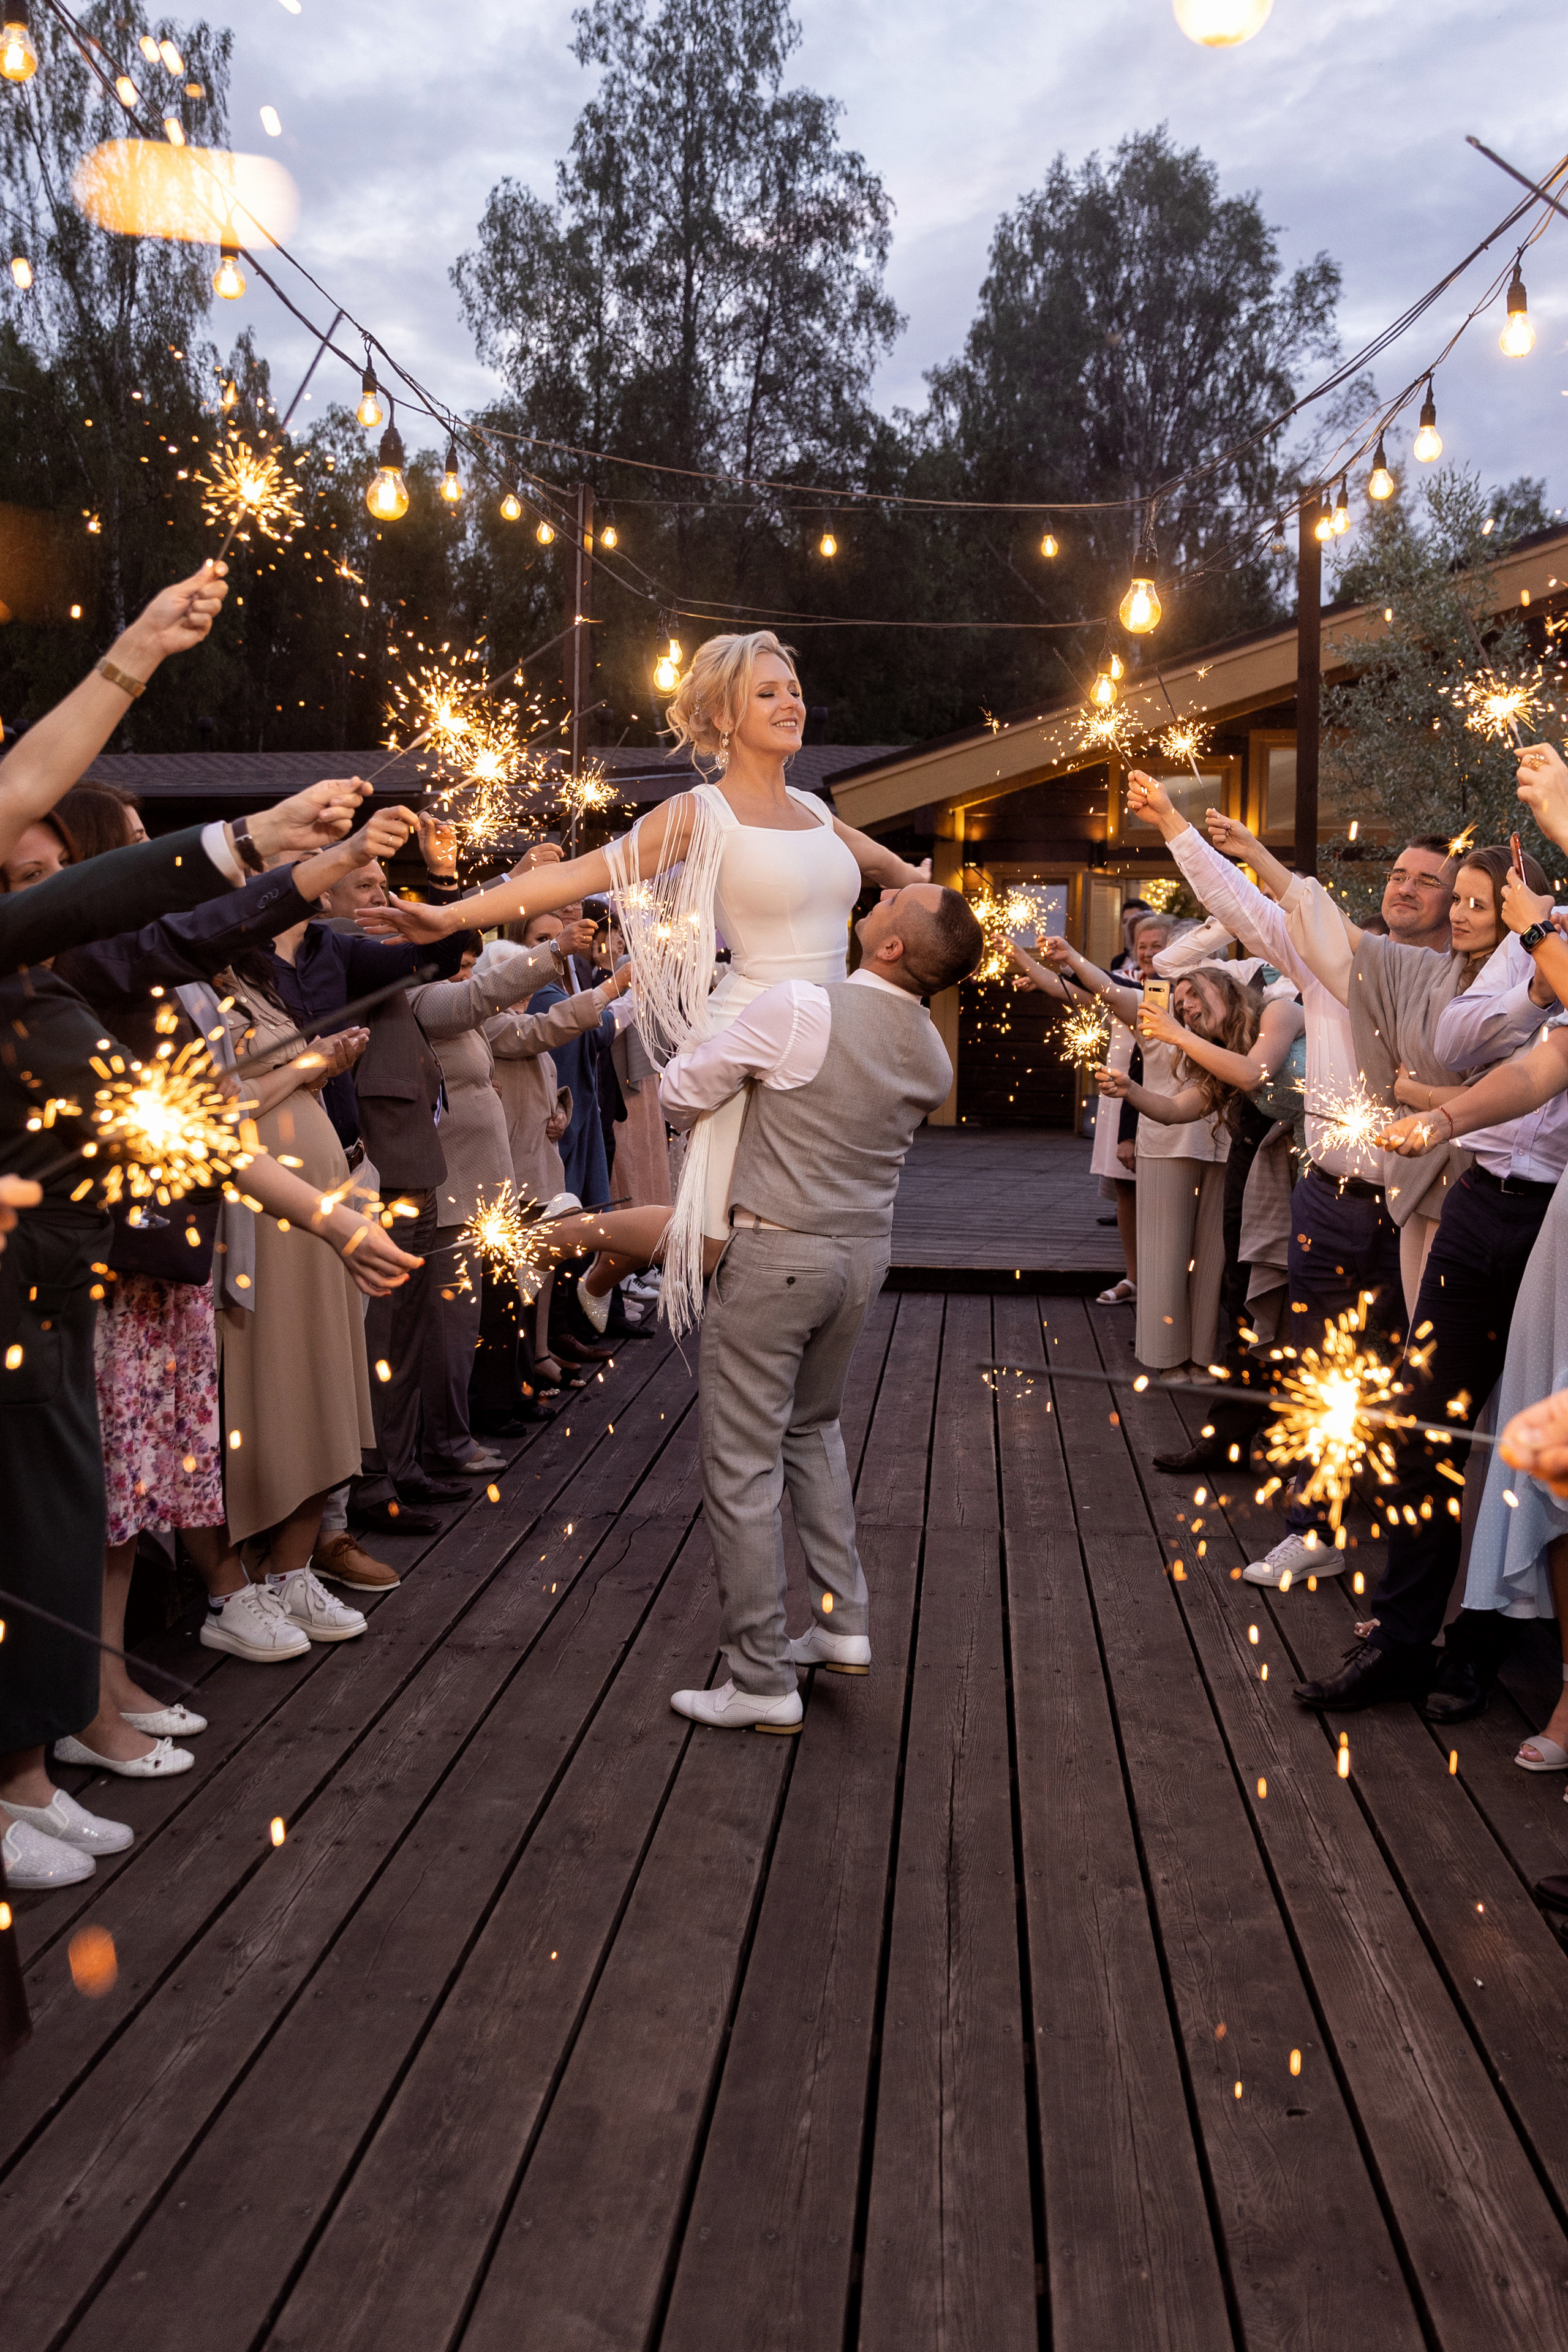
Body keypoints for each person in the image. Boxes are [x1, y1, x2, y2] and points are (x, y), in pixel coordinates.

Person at [356, 631, 932, 1332]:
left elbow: (901, 876)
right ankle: (570, 1240)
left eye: (795, 691)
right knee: (722, 1239)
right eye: (768, 692)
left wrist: (931, 908)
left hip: (828, 1035)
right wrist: (448, 915)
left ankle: (615, 1262)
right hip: (749, 1030)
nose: (791, 704)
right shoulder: (700, 814)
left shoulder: (815, 812)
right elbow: (575, 875)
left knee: (791, 1226)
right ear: (723, 716)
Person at [661, 883, 984, 1732]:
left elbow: (680, 1096)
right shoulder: (931, 1055)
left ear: (890, 948)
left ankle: (762, 1679)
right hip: (861, 1258)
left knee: (741, 1467)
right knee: (813, 1431)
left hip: (777, 1254)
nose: (880, 895)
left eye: (897, 900)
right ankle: (841, 1623)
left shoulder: (801, 1007)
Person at [1123, 773, 1455, 1586]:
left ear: (1458, 904)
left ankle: (1402, 1532)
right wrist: (1174, 825)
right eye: (1400, 876)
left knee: (1412, 1376)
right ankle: (1319, 1522)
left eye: (1428, 881)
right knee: (1319, 1366)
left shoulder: (1454, 984)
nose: (1407, 888)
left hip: (1426, 1207)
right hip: (1332, 1194)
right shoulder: (1324, 967)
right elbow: (1241, 909)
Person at [1096, 968, 1306, 1472]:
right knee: (1246, 1304)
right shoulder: (1209, 1056)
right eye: (1180, 1002)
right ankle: (1227, 1440)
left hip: (1314, 1167)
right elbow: (1172, 1111)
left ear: (1229, 988)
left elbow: (1256, 1073)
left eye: (1194, 994)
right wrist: (1129, 1090)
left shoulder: (1280, 1010)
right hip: (1252, 1165)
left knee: (1304, 1308)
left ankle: (1292, 1438)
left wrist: (1176, 1032)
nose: (1185, 1006)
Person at [1011, 912, 1180, 1307]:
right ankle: (1134, 1279)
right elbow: (1065, 990)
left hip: (1151, 1101)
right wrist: (1023, 959)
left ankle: (1165, 1283)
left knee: (1162, 1193)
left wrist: (1129, 1131)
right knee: (1126, 1189)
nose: (1149, 952)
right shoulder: (1130, 983)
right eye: (1143, 946)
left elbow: (1099, 986)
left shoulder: (1170, 992)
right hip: (1116, 1095)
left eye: (1158, 945)